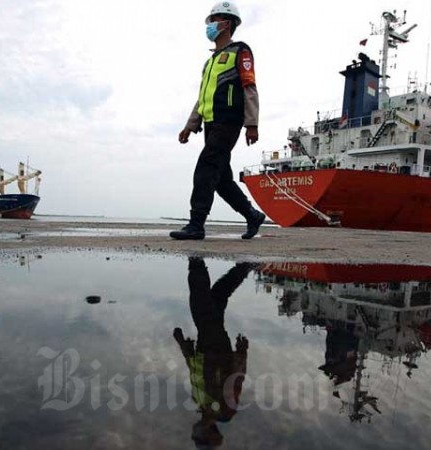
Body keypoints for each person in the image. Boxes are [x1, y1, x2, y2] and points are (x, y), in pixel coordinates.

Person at [170, 1, 266, 240]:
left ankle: (196, 224)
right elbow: (202, 98)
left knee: (206, 168)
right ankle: (252, 215)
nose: (210, 25)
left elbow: (249, 87)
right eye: (210, 21)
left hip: (229, 121)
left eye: (214, 20)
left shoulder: (240, 51)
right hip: (212, 124)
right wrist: (190, 126)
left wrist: (251, 123)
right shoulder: (210, 61)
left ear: (227, 23)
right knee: (221, 179)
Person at [173, 257, 254, 448]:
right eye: (198, 437)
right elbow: (236, 379)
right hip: (217, 351)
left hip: (205, 347)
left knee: (217, 297)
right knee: (200, 303)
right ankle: (196, 261)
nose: (194, 433)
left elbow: (194, 370)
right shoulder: (224, 411)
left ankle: (244, 267)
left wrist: (183, 345)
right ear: (209, 434)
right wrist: (242, 353)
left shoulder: (200, 403)